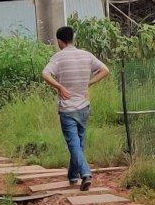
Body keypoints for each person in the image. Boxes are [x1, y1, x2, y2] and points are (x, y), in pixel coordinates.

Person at [42, 24, 109, 191]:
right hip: (84, 107)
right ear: (72, 39)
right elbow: (105, 70)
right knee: (79, 143)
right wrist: (88, 83)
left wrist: (59, 87)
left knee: (73, 144)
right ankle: (73, 175)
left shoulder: (58, 57)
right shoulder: (86, 55)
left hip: (67, 109)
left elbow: (45, 74)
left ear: (60, 41)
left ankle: (85, 173)